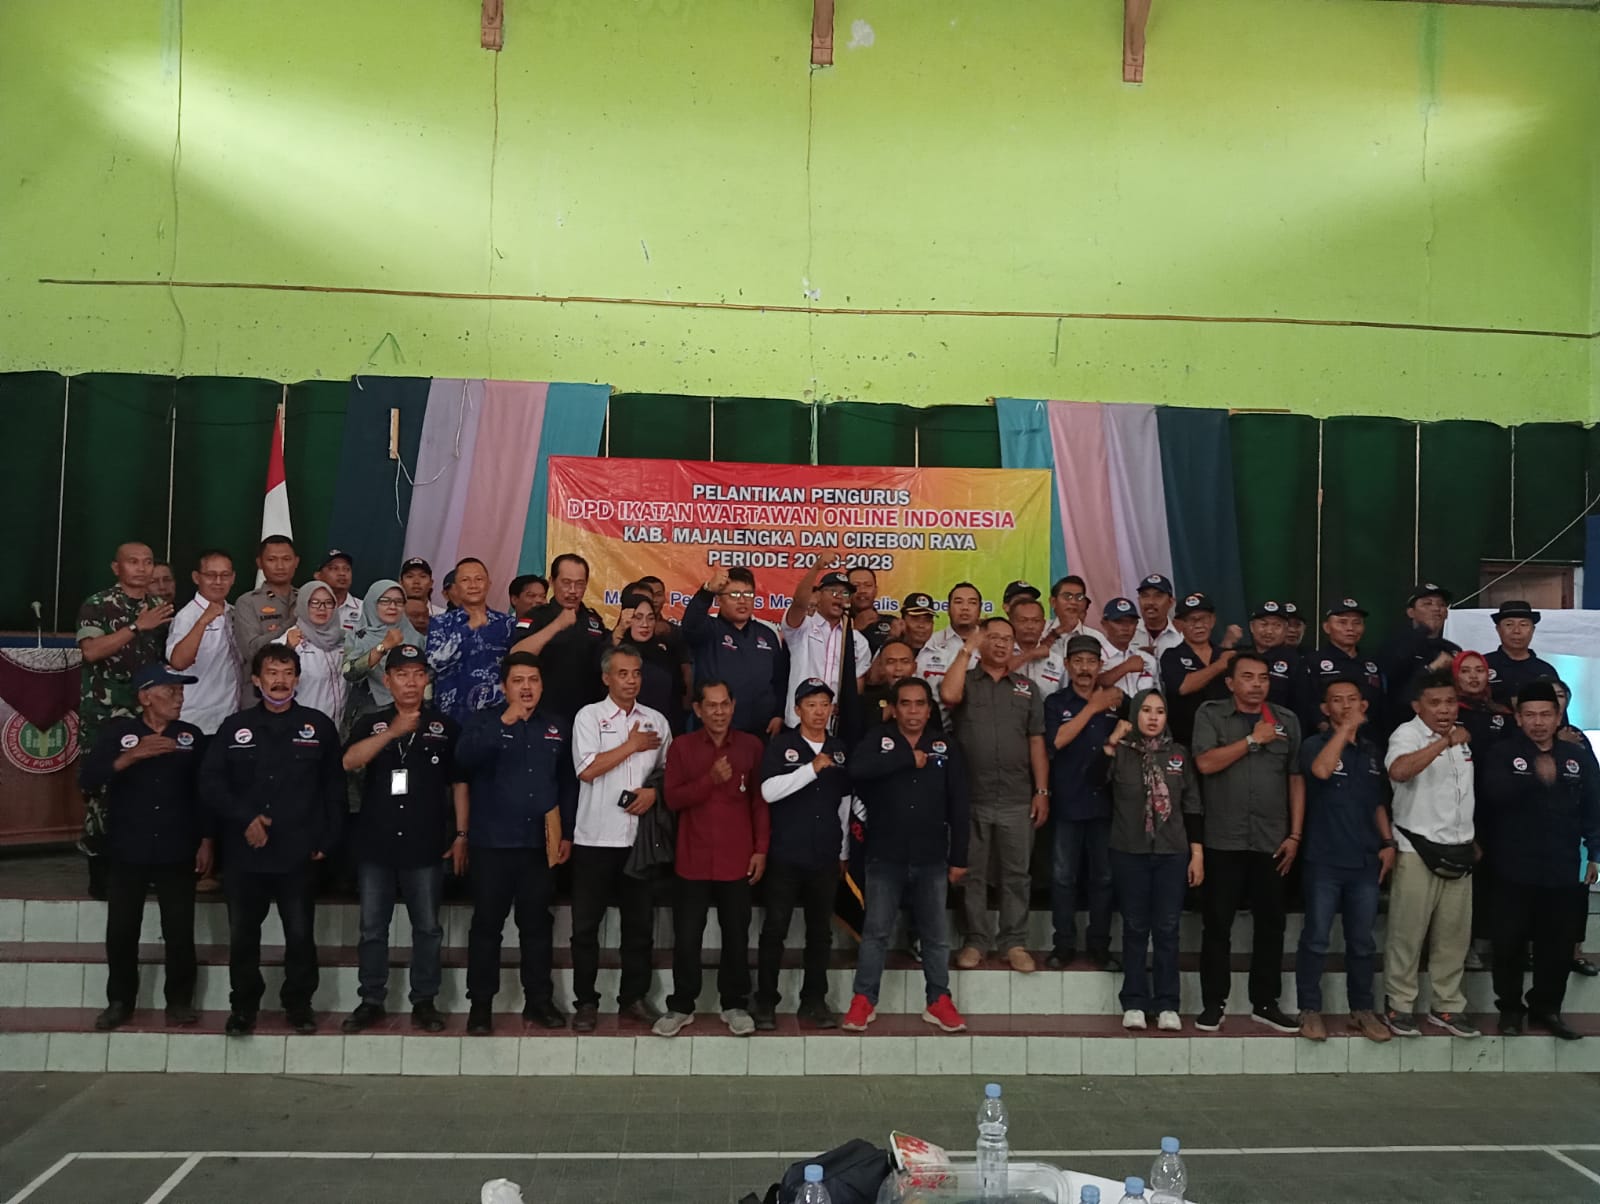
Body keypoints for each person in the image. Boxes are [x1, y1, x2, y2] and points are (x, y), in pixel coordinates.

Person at [202, 645, 344, 1035]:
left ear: (297, 679)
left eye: (287, 673)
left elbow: (334, 789)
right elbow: (211, 784)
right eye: (271, 673)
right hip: (245, 854)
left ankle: (298, 1005)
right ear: (256, 679)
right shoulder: (235, 727)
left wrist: (328, 839)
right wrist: (244, 818)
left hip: (298, 852)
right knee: (243, 935)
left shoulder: (318, 726)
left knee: (300, 934)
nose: (280, 681)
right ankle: (243, 1007)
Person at [78, 663, 211, 1031]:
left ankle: (180, 1001)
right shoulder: (119, 734)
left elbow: (204, 794)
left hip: (177, 846)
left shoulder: (191, 737)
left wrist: (206, 840)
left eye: (181, 692)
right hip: (127, 847)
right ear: (145, 697)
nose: (179, 698)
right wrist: (130, 757)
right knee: (122, 929)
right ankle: (120, 1000)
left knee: (179, 930)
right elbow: (88, 780)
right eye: (170, 691)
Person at [340, 645, 465, 1034]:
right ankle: (371, 999)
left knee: (427, 928)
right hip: (376, 841)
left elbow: (460, 783)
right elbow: (349, 761)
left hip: (425, 841)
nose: (410, 682)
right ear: (388, 680)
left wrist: (462, 834)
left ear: (426, 679)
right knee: (372, 929)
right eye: (401, 674)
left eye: (417, 674)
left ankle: (424, 1000)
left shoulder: (444, 726)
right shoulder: (371, 722)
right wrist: (393, 732)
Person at [455, 651, 578, 1034]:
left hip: (539, 846)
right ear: (504, 686)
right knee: (486, 927)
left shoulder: (555, 726)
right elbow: (463, 761)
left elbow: (567, 782)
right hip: (492, 845)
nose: (527, 688)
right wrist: (504, 722)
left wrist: (567, 832)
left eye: (533, 680)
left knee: (537, 927)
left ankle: (538, 1001)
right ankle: (480, 1006)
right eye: (518, 681)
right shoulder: (483, 721)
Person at [840, 677, 971, 1034]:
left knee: (935, 936)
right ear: (894, 709)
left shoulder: (946, 746)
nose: (913, 711)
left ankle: (938, 1000)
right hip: (885, 856)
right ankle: (864, 1001)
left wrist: (959, 857)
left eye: (920, 704)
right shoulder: (878, 740)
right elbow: (856, 770)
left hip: (932, 857)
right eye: (906, 704)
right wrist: (904, 759)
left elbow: (959, 804)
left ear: (929, 710)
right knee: (876, 933)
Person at [1479, 681, 1600, 1040]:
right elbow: (1493, 795)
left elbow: (1594, 806)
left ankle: (1547, 1009)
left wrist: (1594, 853)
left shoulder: (1577, 756)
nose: (1538, 722)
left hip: (1563, 867)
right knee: (1509, 944)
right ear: (1518, 718)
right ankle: (1510, 1009)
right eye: (1530, 715)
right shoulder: (1502, 753)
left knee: (1557, 946)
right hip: (1512, 868)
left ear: (1558, 717)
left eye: (1545, 715)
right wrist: (1535, 777)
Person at [1191, 649, 1304, 1033]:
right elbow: (1205, 763)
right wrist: (1253, 741)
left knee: (1271, 924)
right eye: (1248, 677)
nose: (1257, 685)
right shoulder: (1211, 714)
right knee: (1217, 924)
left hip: (1272, 839)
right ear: (1230, 683)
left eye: (1263, 678)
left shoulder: (1287, 720)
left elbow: (1295, 779)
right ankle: (1213, 1003)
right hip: (1224, 837)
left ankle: (1265, 1002)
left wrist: (1295, 834)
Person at [655, 680, 768, 1038]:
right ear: (698, 709)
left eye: (724, 705)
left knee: (736, 935)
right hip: (693, 859)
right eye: (712, 706)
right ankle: (681, 1005)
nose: (719, 712)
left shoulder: (751, 746)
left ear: (733, 706)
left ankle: (734, 1003)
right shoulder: (683, 747)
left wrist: (761, 849)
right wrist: (710, 780)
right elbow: (673, 799)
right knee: (688, 936)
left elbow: (759, 802)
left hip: (737, 859)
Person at [569, 645, 673, 1031]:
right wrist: (631, 745)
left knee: (639, 927)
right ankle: (586, 1001)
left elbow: (669, 773)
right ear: (606, 678)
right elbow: (587, 769)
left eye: (636, 673)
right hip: (595, 839)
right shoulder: (589, 716)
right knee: (585, 928)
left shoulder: (656, 721)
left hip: (638, 842)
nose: (631, 681)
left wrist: (655, 794)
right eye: (623, 673)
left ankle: (633, 998)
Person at [942, 616, 1050, 973]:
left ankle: (1014, 942)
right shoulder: (966, 681)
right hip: (973, 797)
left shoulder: (1027, 689)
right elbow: (948, 695)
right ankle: (976, 940)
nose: (1002, 644)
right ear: (982, 642)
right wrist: (967, 649)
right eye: (994, 638)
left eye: (1008, 639)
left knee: (1017, 874)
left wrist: (1042, 790)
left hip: (1018, 797)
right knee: (972, 874)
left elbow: (1036, 741)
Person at [1294, 678, 1397, 1044]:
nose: (1346, 705)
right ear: (1326, 709)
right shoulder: (1314, 745)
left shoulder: (1371, 751)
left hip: (1365, 859)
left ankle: (1362, 1010)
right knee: (1316, 938)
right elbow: (1321, 771)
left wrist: (1388, 842)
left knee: (1363, 942)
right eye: (1337, 701)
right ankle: (1309, 1009)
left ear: (1364, 705)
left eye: (1353, 699)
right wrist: (1344, 731)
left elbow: (1377, 802)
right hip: (1324, 858)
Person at [1382, 669, 1480, 1038]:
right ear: (1417, 705)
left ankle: (1448, 1006)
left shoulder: (1463, 737)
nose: (1444, 709)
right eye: (1435, 703)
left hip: (1459, 849)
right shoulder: (1406, 734)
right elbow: (1399, 771)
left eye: (1450, 702)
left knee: (1454, 936)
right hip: (1416, 850)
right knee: (1407, 934)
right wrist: (1443, 742)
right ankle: (1399, 1004)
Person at [77, 541, 173, 896]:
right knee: (102, 790)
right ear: (116, 568)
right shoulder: (98, 604)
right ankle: (100, 869)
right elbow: (90, 651)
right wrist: (136, 626)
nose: (142, 568)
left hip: (147, 715)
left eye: (147, 562)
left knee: (145, 789)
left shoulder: (159, 607)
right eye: (133, 562)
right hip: (104, 716)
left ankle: (141, 868)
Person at [1103, 689, 1203, 1031]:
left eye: (1160, 711)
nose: (1153, 717)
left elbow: (1192, 805)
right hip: (1129, 851)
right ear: (1134, 714)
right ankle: (1134, 1001)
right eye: (1146, 710)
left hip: (1172, 853)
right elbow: (1093, 782)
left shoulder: (1178, 754)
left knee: (1167, 928)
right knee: (1134, 927)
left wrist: (1197, 854)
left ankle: (1167, 1004)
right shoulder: (1121, 752)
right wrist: (1111, 743)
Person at [756, 679, 851, 1030]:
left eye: (824, 704)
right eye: (811, 705)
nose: (819, 711)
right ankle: (765, 1002)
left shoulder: (839, 749)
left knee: (820, 934)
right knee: (775, 930)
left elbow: (844, 802)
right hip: (786, 854)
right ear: (797, 710)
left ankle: (814, 1001)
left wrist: (843, 850)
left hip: (824, 855)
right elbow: (768, 792)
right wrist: (810, 769)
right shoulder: (782, 746)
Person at [1044, 635, 1122, 969]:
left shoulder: (1117, 701)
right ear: (1067, 665)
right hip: (1068, 801)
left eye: (1091, 661)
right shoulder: (1055, 702)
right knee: (1063, 878)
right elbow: (1057, 741)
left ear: (1100, 665)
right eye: (1077, 661)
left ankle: (1099, 945)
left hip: (1107, 804)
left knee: (1104, 878)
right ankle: (1063, 945)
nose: (1084, 668)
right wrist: (1093, 707)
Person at [1453, 649, 1512, 970]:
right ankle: (1463, 945)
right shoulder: (1450, 711)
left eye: (1479, 670)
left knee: (1495, 874)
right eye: (1466, 671)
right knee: (1466, 878)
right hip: (1461, 805)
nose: (1474, 676)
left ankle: (1487, 938)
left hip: (1498, 808)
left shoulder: (1500, 713)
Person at [682, 567, 787, 738]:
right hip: (716, 733)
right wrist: (707, 591)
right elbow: (690, 625)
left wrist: (778, 714)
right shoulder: (708, 629)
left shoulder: (767, 634)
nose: (742, 601)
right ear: (719, 599)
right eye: (734, 595)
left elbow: (780, 680)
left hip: (762, 732)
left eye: (748, 594)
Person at [508, 553, 609, 722]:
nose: (573, 590)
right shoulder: (536, 616)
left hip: (588, 716)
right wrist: (556, 625)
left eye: (579, 584)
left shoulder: (593, 619)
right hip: (546, 715)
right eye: (566, 583)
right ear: (552, 582)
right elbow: (516, 654)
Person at [1549, 679, 1599, 978]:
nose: (1556, 700)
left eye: (1560, 695)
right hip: (1534, 835)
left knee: (1577, 896)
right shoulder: (1522, 738)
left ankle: (1574, 952)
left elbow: (1593, 783)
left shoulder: (1577, 736)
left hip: (1574, 832)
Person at [165, 549, 242, 736]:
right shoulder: (188, 616)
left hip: (229, 716)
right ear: (196, 577)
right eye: (210, 575)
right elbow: (178, 662)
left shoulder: (234, 612)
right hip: (196, 719)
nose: (218, 581)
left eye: (225, 575)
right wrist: (203, 621)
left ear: (233, 578)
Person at [425, 557, 513, 722]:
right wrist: (468, 628)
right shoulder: (440, 622)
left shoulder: (507, 623)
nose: (473, 585)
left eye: (479, 579)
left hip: (496, 716)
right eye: (465, 580)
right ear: (456, 587)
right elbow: (433, 663)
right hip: (450, 716)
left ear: (489, 584)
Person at [782, 564, 869, 728]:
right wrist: (817, 567)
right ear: (818, 595)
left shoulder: (857, 640)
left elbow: (855, 689)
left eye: (845, 593)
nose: (840, 597)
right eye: (833, 591)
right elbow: (799, 603)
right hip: (798, 723)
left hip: (835, 726)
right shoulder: (803, 627)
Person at [1159, 592, 1241, 746]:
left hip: (1227, 739)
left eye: (1203, 618)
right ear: (1179, 625)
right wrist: (1219, 665)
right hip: (1186, 740)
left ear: (1212, 620)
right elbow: (1183, 687)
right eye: (1191, 620)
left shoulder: (1226, 655)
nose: (1198, 625)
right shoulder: (1171, 656)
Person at [1377, 583, 1460, 731]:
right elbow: (1394, 689)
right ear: (1411, 612)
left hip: (1445, 727)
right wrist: (1432, 669)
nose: (1436, 609)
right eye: (1427, 604)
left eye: (1441, 605)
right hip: (1403, 726)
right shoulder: (1395, 645)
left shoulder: (1452, 649)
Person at [342, 579, 424, 718]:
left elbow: (427, 677)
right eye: (385, 601)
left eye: (399, 602)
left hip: (409, 710)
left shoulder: (416, 637)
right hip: (367, 710)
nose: (393, 606)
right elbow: (349, 673)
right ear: (372, 603)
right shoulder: (357, 636)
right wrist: (383, 647)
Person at [612, 588, 690, 733]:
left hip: (661, 732)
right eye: (638, 617)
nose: (645, 624)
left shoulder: (664, 653)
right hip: (621, 733)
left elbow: (675, 699)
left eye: (650, 618)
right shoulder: (614, 652)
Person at [1300, 597, 1384, 730]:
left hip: (1369, 736)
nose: (1350, 628)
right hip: (1327, 735)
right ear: (1327, 627)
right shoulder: (1312, 661)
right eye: (1342, 622)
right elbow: (1305, 703)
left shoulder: (1372, 663)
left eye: (1357, 623)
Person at [233, 535, 300, 690]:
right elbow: (251, 651)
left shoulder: (307, 599)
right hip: (259, 693)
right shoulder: (248, 602)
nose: (280, 566)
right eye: (271, 559)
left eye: (286, 559)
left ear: (296, 562)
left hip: (304, 690)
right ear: (260, 563)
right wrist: (292, 622)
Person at [277, 581, 349, 724]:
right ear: (303, 605)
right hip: (301, 728)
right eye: (314, 603)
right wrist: (288, 650)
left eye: (328, 603)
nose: (322, 608)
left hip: (337, 729)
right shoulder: (287, 643)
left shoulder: (344, 640)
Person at [1484, 600, 1557, 705]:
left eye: (1523, 624)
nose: (1516, 631)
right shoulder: (1483, 665)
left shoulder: (1545, 670)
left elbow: (1556, 710)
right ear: (1498, 629)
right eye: (1509, 624)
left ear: (1533, 630)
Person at [1095, 597, 1159, 695]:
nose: (1125, 627)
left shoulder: (1147, 659)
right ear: (1104, 624)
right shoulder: (1095, 657)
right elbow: (1091, 685)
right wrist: (1125, 667)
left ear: (1136, 624)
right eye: (1119, 622)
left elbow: (1156, 696)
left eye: (1131, 622)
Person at [1007, 595, 1065, 700]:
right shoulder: (1001, 653)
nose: (1030, 626)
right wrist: (1032, 654)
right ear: (1011, 623)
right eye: (1023, 620)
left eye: (1036, 621)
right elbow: (996, 673)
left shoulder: (1057, 662)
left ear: (1043, 624)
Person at [1248, 600, 1300, 711]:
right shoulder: (1241, 656)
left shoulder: (1295, 661)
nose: (1269, 631)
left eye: (1277, 626)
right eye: (1264, 624)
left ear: (1286, 630)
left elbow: (1300, 704)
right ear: (1252, 627)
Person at [863, 639, 922, 728]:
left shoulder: (925, 700)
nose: (898, 668)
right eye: (891, 662)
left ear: (914, 667)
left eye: (905, 661)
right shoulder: (867, 701)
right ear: (881, 667)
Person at [848, 565, 899, 652]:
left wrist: (899, 637)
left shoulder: (892, 623)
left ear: (876, 590)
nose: (862, 590)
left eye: (868, 585)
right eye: (855, 585)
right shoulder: (836, 622)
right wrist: (855, 630)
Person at [1133, 573, 1182, 662]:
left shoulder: (1182, 635)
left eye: (1158, 596)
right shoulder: (1128, 631)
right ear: (1138, 600)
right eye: (1145, 596)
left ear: (1171, 602)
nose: (1150, 602)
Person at [1046, 576, 1095, 655]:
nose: (1073, 602)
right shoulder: (1039, 632)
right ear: (1053, 602)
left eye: (1079, 597)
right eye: (1067, 596)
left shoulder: (1095, 637)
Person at [316, 549, 362, 632]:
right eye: (334, 568)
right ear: (318, 575)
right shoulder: (309, 606)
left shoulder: (363, 609)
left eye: (346, 569)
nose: (342, 573)